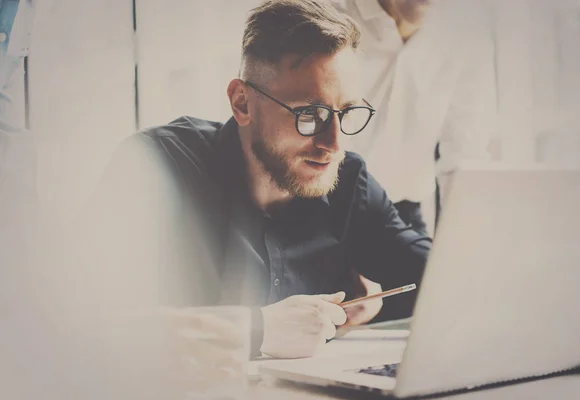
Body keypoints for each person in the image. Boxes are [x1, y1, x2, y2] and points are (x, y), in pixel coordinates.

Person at [83, 0, 431, 360]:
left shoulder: (348, 181)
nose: (334, 144)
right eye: (310, 115)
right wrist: (255, 331)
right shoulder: (154, 168)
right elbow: (81, 324)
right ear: (242, 103)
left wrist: (374, 307)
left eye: (347, 112)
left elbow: (443, 280)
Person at [333, 0, 496, 234]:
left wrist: (463, 247)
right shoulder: (328, 15)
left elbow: (465, 156)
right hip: (325, 208)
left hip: (404, 215)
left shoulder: (468, 34)